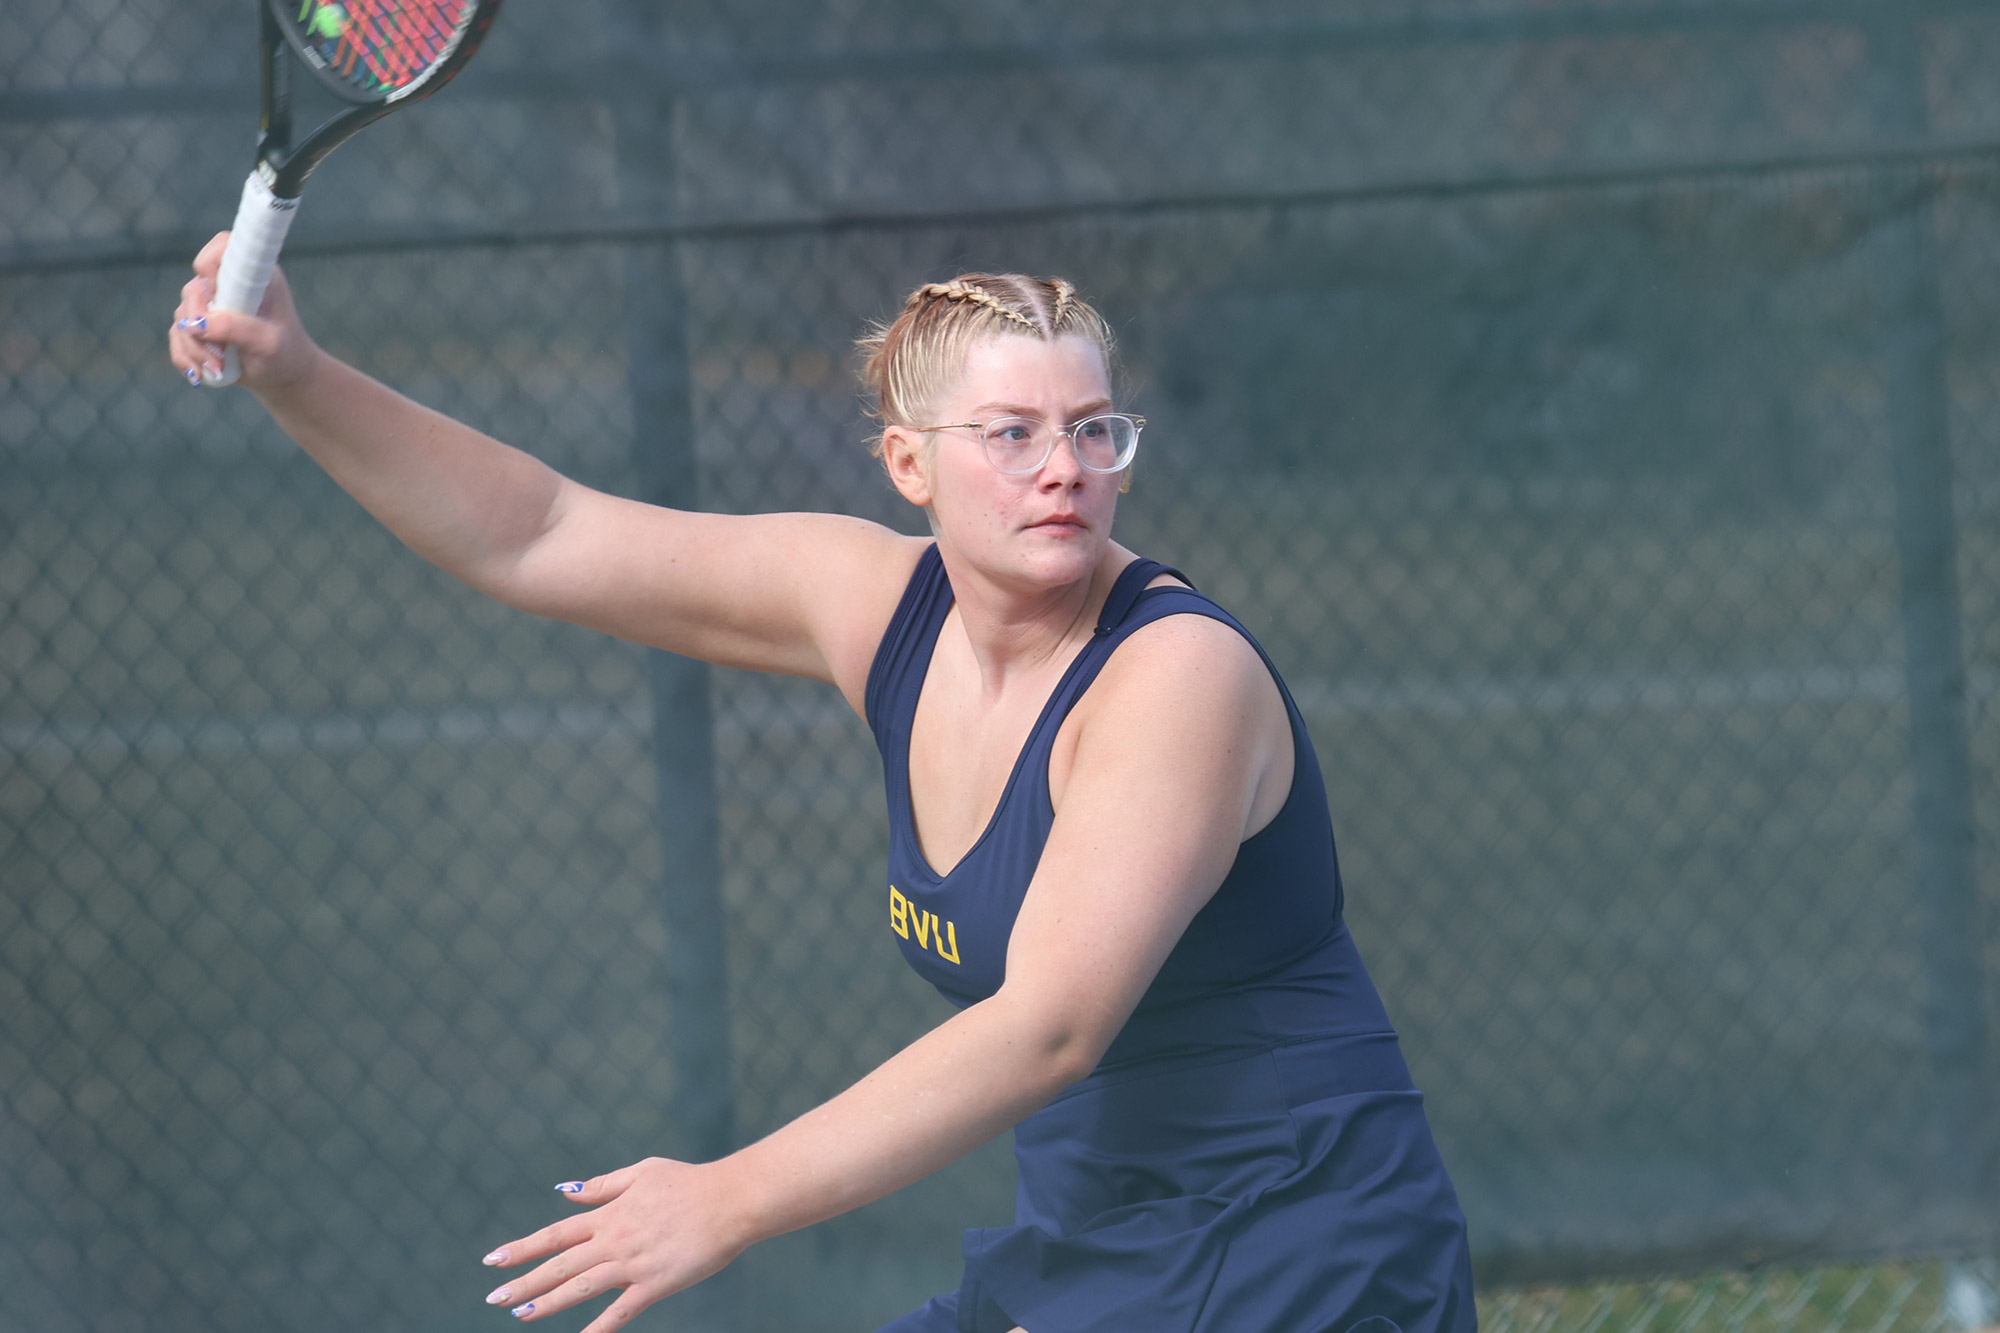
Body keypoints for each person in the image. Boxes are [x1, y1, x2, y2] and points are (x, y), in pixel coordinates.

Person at [168, 242, 1477, 1333]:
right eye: (1010, 434)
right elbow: (540, 530)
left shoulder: (1175, 678)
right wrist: (300, 374)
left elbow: (1051, 1028)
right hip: (1106, 1233)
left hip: (1306, 1242)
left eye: (1091, 430)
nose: (1063, 466)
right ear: (910, 466)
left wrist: (727, 1196)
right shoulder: (873, 605)